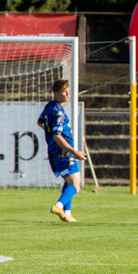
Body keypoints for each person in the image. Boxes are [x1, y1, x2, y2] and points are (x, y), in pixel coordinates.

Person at [37, 79, 87, 222]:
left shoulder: (50, 106)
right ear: (56, 93)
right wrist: (74, 151)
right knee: (76, 185)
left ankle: (68, 213)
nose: (67, 94)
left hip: (55, 151)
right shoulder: (58, 112)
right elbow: (57, 136)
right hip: (64, 152)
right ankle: (58, 206)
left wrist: (50, 135)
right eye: (64, 91)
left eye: (68, 91)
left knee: (69, 181)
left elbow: (40, 121)